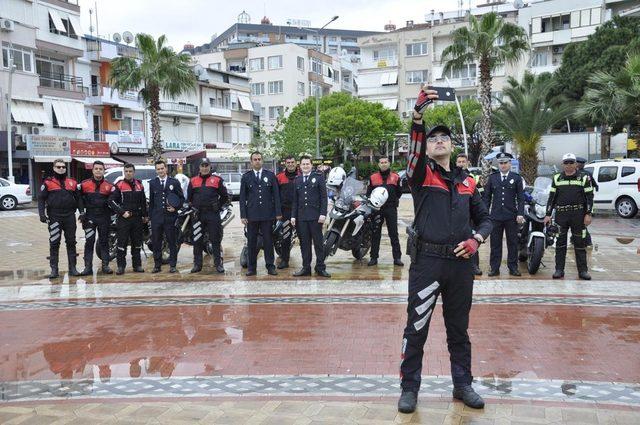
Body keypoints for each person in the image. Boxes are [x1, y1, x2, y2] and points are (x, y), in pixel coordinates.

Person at [398, 88, 492, 414]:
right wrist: (418, 115)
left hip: (460, 266)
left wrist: (476, 240)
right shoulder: (420, 174)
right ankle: (409, 388)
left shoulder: (468, 182)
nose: (438, 141)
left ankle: (462, 384)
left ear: (452, 146)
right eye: (433, 138)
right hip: (427, 263)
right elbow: (413, 152)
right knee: (417, 327)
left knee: (458, 330)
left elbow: (485, 219)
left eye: (444, 138)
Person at [544, 153, 594, 280]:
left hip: (578, 214)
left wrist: (588, 214)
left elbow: (589, 197)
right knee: (560, 243)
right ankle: (559, 270)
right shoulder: (557, 178)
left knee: (579, 243)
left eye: (571, 162)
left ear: (576, 164)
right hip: (561, 215)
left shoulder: (584, 177)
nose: (569, 165)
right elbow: (552, 198)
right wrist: (548, 214)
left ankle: (583, 271)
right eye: (566, 162)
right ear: (562, 164)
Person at [38, 159, 82, 279]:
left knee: (71, 242)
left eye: (63, 167)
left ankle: (73, 268)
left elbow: (79, 199)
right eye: (58, 167)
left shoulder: (72, 182)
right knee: (54, 242)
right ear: (54, 168)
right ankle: (54, 270)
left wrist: (82, 212)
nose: (61, 169)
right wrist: (42, 214)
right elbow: (41, 199)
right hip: (54, 217)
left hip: (69, 216)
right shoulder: (48, 183)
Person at [239, 151, 282, 276]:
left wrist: (278, 212)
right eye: (255, 159)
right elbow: (242, 198)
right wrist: (243, 215)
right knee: (252, 242)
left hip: (267, 215)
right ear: (251, 162)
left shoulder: (270, 176)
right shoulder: (246, 177)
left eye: (259, 159)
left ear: (262, 161)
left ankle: (270, 266)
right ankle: (252, 268)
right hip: (252, 215)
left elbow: (276, 195)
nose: (257, 161)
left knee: (268, 242)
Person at [483, 153, 525, 277]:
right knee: (495, 243)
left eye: (505, 162)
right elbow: (487, 197)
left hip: (511, 216)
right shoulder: (492, 178)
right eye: (501, 163)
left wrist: (520, 213)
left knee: (512, 243)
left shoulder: (516, 178)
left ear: (510, 164)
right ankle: (494, 268)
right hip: (495, 216)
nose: (503, 165)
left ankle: (513, 267)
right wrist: (485, 214)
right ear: (498, 164)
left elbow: (521, 198)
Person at [291, 155, 330, 278]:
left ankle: (320, 267)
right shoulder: (297, 180)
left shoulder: (318, 177)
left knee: (318, 244)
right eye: (303, 164)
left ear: (311, 165)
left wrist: (323, 214)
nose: (305, 166)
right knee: (304, 244)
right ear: (300, 166)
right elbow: (295, 201)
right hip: (302, 217)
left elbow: (324, 198)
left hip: (315, 217)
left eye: (308, 164)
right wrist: (293, 216)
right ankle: (306, 268)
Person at [188, 158, 228, 274]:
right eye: (202, 166)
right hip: (198, 215)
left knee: (215, 240)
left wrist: (218, 206)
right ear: (199, 167)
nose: (204, 168)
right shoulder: (193, 181)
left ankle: (218, 264)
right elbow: (189, 198)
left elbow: (225, 196)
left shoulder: (217, 180)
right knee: (197, 240)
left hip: (213, 214)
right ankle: (197, 265)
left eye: (206, 166)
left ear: (210, 167)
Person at [108, 163, 148, 275]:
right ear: (124, 172)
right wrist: (122, 212)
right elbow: (111, 201)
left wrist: (145, 216)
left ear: (134, 172)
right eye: (126, 171)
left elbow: (143, 202)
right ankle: (121, 267)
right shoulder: (119, 185)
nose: (128, 173)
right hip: (124, 219)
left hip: (137, 219)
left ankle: (137, 265)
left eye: (130, 171)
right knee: (122, 244)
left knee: (137, 243)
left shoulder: (139, 184)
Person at [78, 161, 114, 276]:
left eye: (100, 169)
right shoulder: (84, 184)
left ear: (104, 171)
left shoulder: (110, 186)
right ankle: (87, 267)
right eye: (96, 169)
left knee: (104, 242)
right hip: (89, 218)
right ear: (92, 170)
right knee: (89, 241)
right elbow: (78, 199)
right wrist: (82, 212)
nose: (98, 171)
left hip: (104, 217)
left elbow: (114, 201)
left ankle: (105, 266)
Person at [149, 160, 184, 274]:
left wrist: (176, 208)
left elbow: (181, 198)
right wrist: (150, 218)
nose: (160, 171)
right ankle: (157, 265)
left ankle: (173, 265)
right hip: (157, 218)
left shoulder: (174, 182)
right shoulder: (153, 183)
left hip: (170, 218)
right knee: (156, 242)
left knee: (172, 242)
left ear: (166, 169)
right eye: (158, 169)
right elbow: (152, 202)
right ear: (156, 170)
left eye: (162, 168)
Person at [367, 156, 403, 267]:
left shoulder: (396, 177)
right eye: (381, 162)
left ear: (389, 163)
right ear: (378, 164)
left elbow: (399, 193)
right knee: (375, 233)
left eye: (385, 162)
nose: (383, 164)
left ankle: (397, 258)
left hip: (391, 208)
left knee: (393, 233)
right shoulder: (373, 178)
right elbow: (368, 193)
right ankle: (373, 257)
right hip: (377, 209)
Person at [456, 154, 484, 276]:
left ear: (467, 163)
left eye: (463, 161)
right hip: (459, 214)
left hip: (471, 215)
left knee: (472, 239)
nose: (461, 164)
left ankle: (474, 266)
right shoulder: (453, 176)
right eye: (459, 162)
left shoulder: (474, 178)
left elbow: (481, 195)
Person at [275, 155, 300, 269]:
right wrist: (278, 212)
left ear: (296, 163)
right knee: (285, 237)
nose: (290, 164)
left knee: (304, 237)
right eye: (288, 162)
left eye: (292, 162)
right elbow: (275, 196)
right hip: (285, 212)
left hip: (301, 212)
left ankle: (306, 263)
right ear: (285, 164)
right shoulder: (279, 177)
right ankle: (285, 260)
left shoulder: (302, 175)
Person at [576, 157, 597, 246]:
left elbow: (593, 183)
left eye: (581, 163)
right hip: (582, 202)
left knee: (582, 225)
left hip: (585, 203)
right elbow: (595, 184)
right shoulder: (587, 173)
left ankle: (587, 241)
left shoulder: (584, 174)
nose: (580, 165)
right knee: (578, 225)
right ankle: (575, 240)